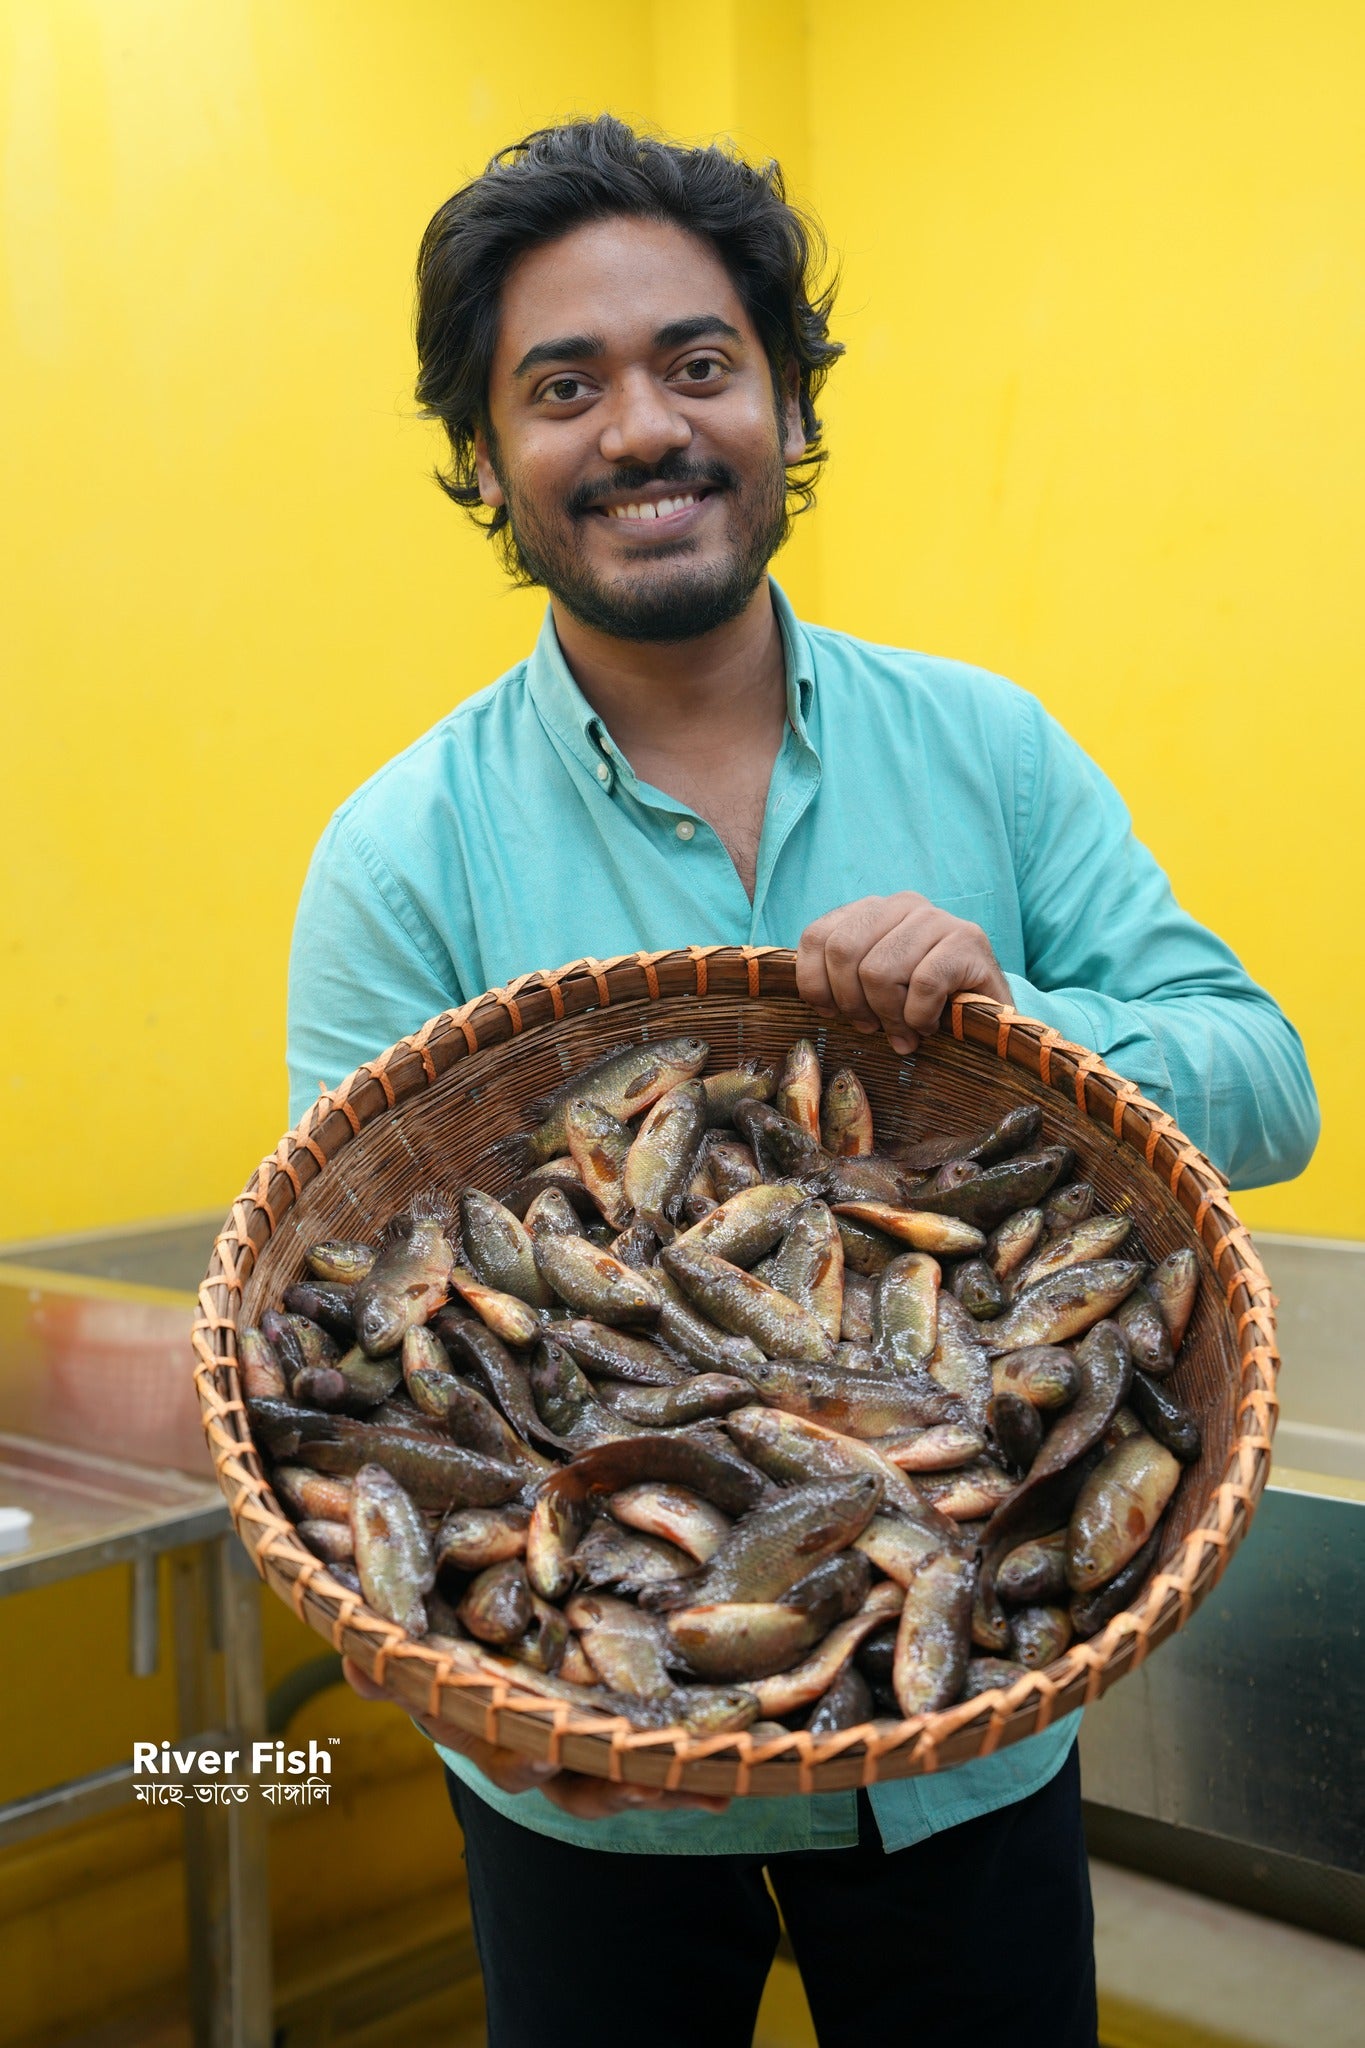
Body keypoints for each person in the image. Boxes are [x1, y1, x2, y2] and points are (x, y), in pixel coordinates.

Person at [286, 117, 1317, 2048]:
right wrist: (455, 1678)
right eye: (561, 387)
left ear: (779, 400)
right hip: (585, 1795)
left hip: (964, 1764)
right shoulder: (398, 851)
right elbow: (333, 1352)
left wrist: (1029, 1025)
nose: (641, 432)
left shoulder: (989, 751)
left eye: (697, 364)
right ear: (488, 460)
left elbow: (1263, 1086)